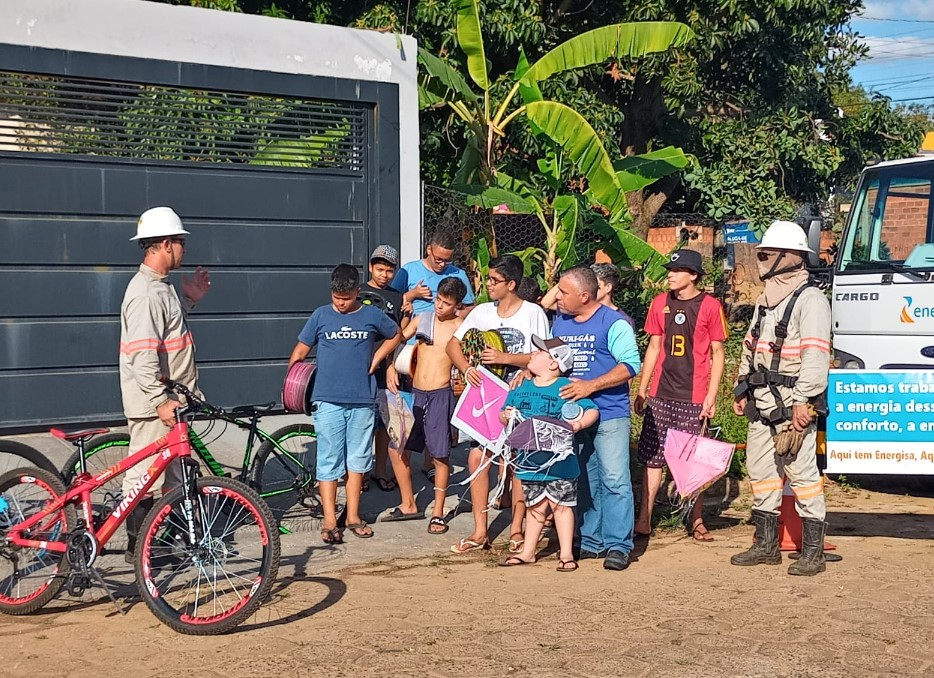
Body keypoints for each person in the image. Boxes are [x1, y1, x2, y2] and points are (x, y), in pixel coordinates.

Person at [730, 220, 831, 576]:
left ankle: (813, 551)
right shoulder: (766, 299)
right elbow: (751, 344)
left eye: (766, 254)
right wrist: (742, 387)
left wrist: (804, 400)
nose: (760, 260)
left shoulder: (811, 299)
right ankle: (766, 544)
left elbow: (817, 357)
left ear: (791, 257)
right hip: (761, 401)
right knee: (761, 473)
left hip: (792, 402)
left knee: (801, 473)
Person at [119, 206, 211, 563]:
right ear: (167, 243)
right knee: (143, 478)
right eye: (181, 243)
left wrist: (189, 300)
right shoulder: (144, 293)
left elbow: (169, 330)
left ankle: (162, 543)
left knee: (174, 475)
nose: (184, 250)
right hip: (157, 406)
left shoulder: (161, 287)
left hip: (173, 402)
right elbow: (143, 356)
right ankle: (136, 548)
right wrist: (159, 401)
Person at [288, 264, 402, 544]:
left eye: (346, 298)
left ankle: (352, 516)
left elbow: (396, 333)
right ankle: (329, 521)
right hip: (326, 400)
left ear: (357, 292)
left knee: (358, 460)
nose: (340, 304)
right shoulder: (321, 316)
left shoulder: (372, 314)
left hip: (362, 399)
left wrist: (378, 359)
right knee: (328, 459)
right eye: (336, 298)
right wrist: (293, 380)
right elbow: (301, 350)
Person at [447, 254, 550, 554]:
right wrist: (467, 368)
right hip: (485, 397)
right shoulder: (481, 312)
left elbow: (544, 355)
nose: (488, 284)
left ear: (512, 284)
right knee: (477, 459)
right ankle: (480, 531)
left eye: (494, 280)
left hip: (521, 397)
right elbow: (454, 343)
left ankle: (516, 529)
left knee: (517, 461)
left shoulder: (533, 313)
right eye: (489, 278)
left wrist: (508, 360)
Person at [633, 249, 728, 542]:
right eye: (670, 270)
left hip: (693, 394)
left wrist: (711, 396)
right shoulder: (660, 303)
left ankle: (695, 518)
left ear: (694, 275)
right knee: (652, 456)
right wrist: (642, 387)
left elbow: (718, 353)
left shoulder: (710, 306)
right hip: (661, 394)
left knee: (691, 460)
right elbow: (653, 347)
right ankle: (644, 518)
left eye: (678, 270)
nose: (670, 275)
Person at [552, 266, 641, 571]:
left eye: (564, 292)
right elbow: (554, 362)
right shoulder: (560, 323)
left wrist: (591, 385)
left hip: (610, 413)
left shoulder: (614, 323)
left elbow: (630, 365)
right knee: (585, 478)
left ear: (585, 296)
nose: (558, 297)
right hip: (574, 415)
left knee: (615, 479)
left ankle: (618, 544)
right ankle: (591, 539)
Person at [499, 336, 599, 572]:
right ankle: (528, 551)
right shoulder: (522, 388)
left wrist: (578, 425)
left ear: (554, 363)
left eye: (539, 352)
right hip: (529, 462)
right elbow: (503, 413)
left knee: (561, 507)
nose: (532, 354)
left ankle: (566, 553)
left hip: (560, 463)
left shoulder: (565, 387)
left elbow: (592, 410)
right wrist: (506, 416)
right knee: (534, 506)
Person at [383, 277, 468, 534]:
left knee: (440, 456)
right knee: (397, 447)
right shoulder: (424, 318)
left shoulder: (461, 327)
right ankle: (408, 503)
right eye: (438, 300)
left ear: (457, 305)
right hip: (415, 392)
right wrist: (390, 366)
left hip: (441, 394)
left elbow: (469, 361)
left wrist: (462, 381)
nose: (440, 306)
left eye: (446, 303)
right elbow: (398, 339)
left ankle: (439, 511)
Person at [362, 244, 410, 493]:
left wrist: (406, 316)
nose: (384, 275)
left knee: (384, 422)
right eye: (380, 269)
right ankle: (359, 473)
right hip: (359, 365)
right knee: (361, 421)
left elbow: (399, 335)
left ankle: (379, 470)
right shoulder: (357, 292)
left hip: (386, 368)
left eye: (389, 271)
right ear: (371, 267)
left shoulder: (396, 297)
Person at [390, 230, 475, 318]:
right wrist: (413, 294)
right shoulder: (409, 270)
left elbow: (470, 307)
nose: (442, 264)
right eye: (438, 259)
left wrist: (456, 314)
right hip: (416, 327)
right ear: (429, 250)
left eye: (447, 260)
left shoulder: (459, 275)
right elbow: (391, 300)